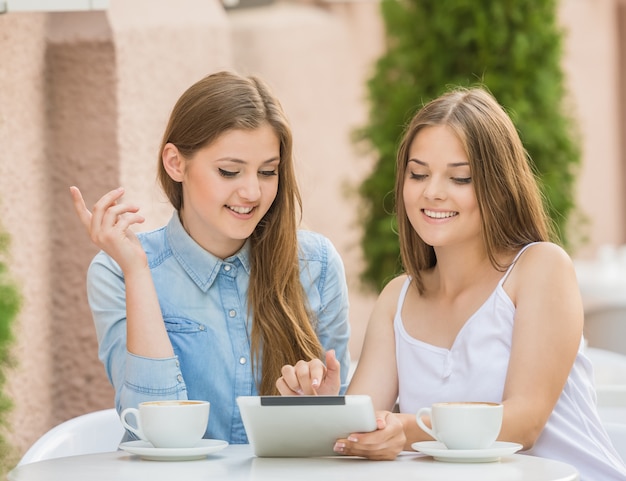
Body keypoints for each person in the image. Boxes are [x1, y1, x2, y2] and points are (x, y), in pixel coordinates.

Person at [276, 86, 626, 479]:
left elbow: (523, 424)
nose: (432, 192)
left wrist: (407, 428)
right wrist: (326, 412)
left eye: (460, 178)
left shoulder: (541, 269)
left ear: (498, 186)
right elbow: (363, 431)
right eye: (418, 174)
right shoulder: (397, 299)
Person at [70, 71, 351, 444]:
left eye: (268, 172)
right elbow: (158, 436)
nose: (252, 191)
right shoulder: (117, 272)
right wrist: (137, 272)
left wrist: (321, 404)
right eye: (229, 171)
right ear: (176, 163)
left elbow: (334, 431)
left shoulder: (316, 265)